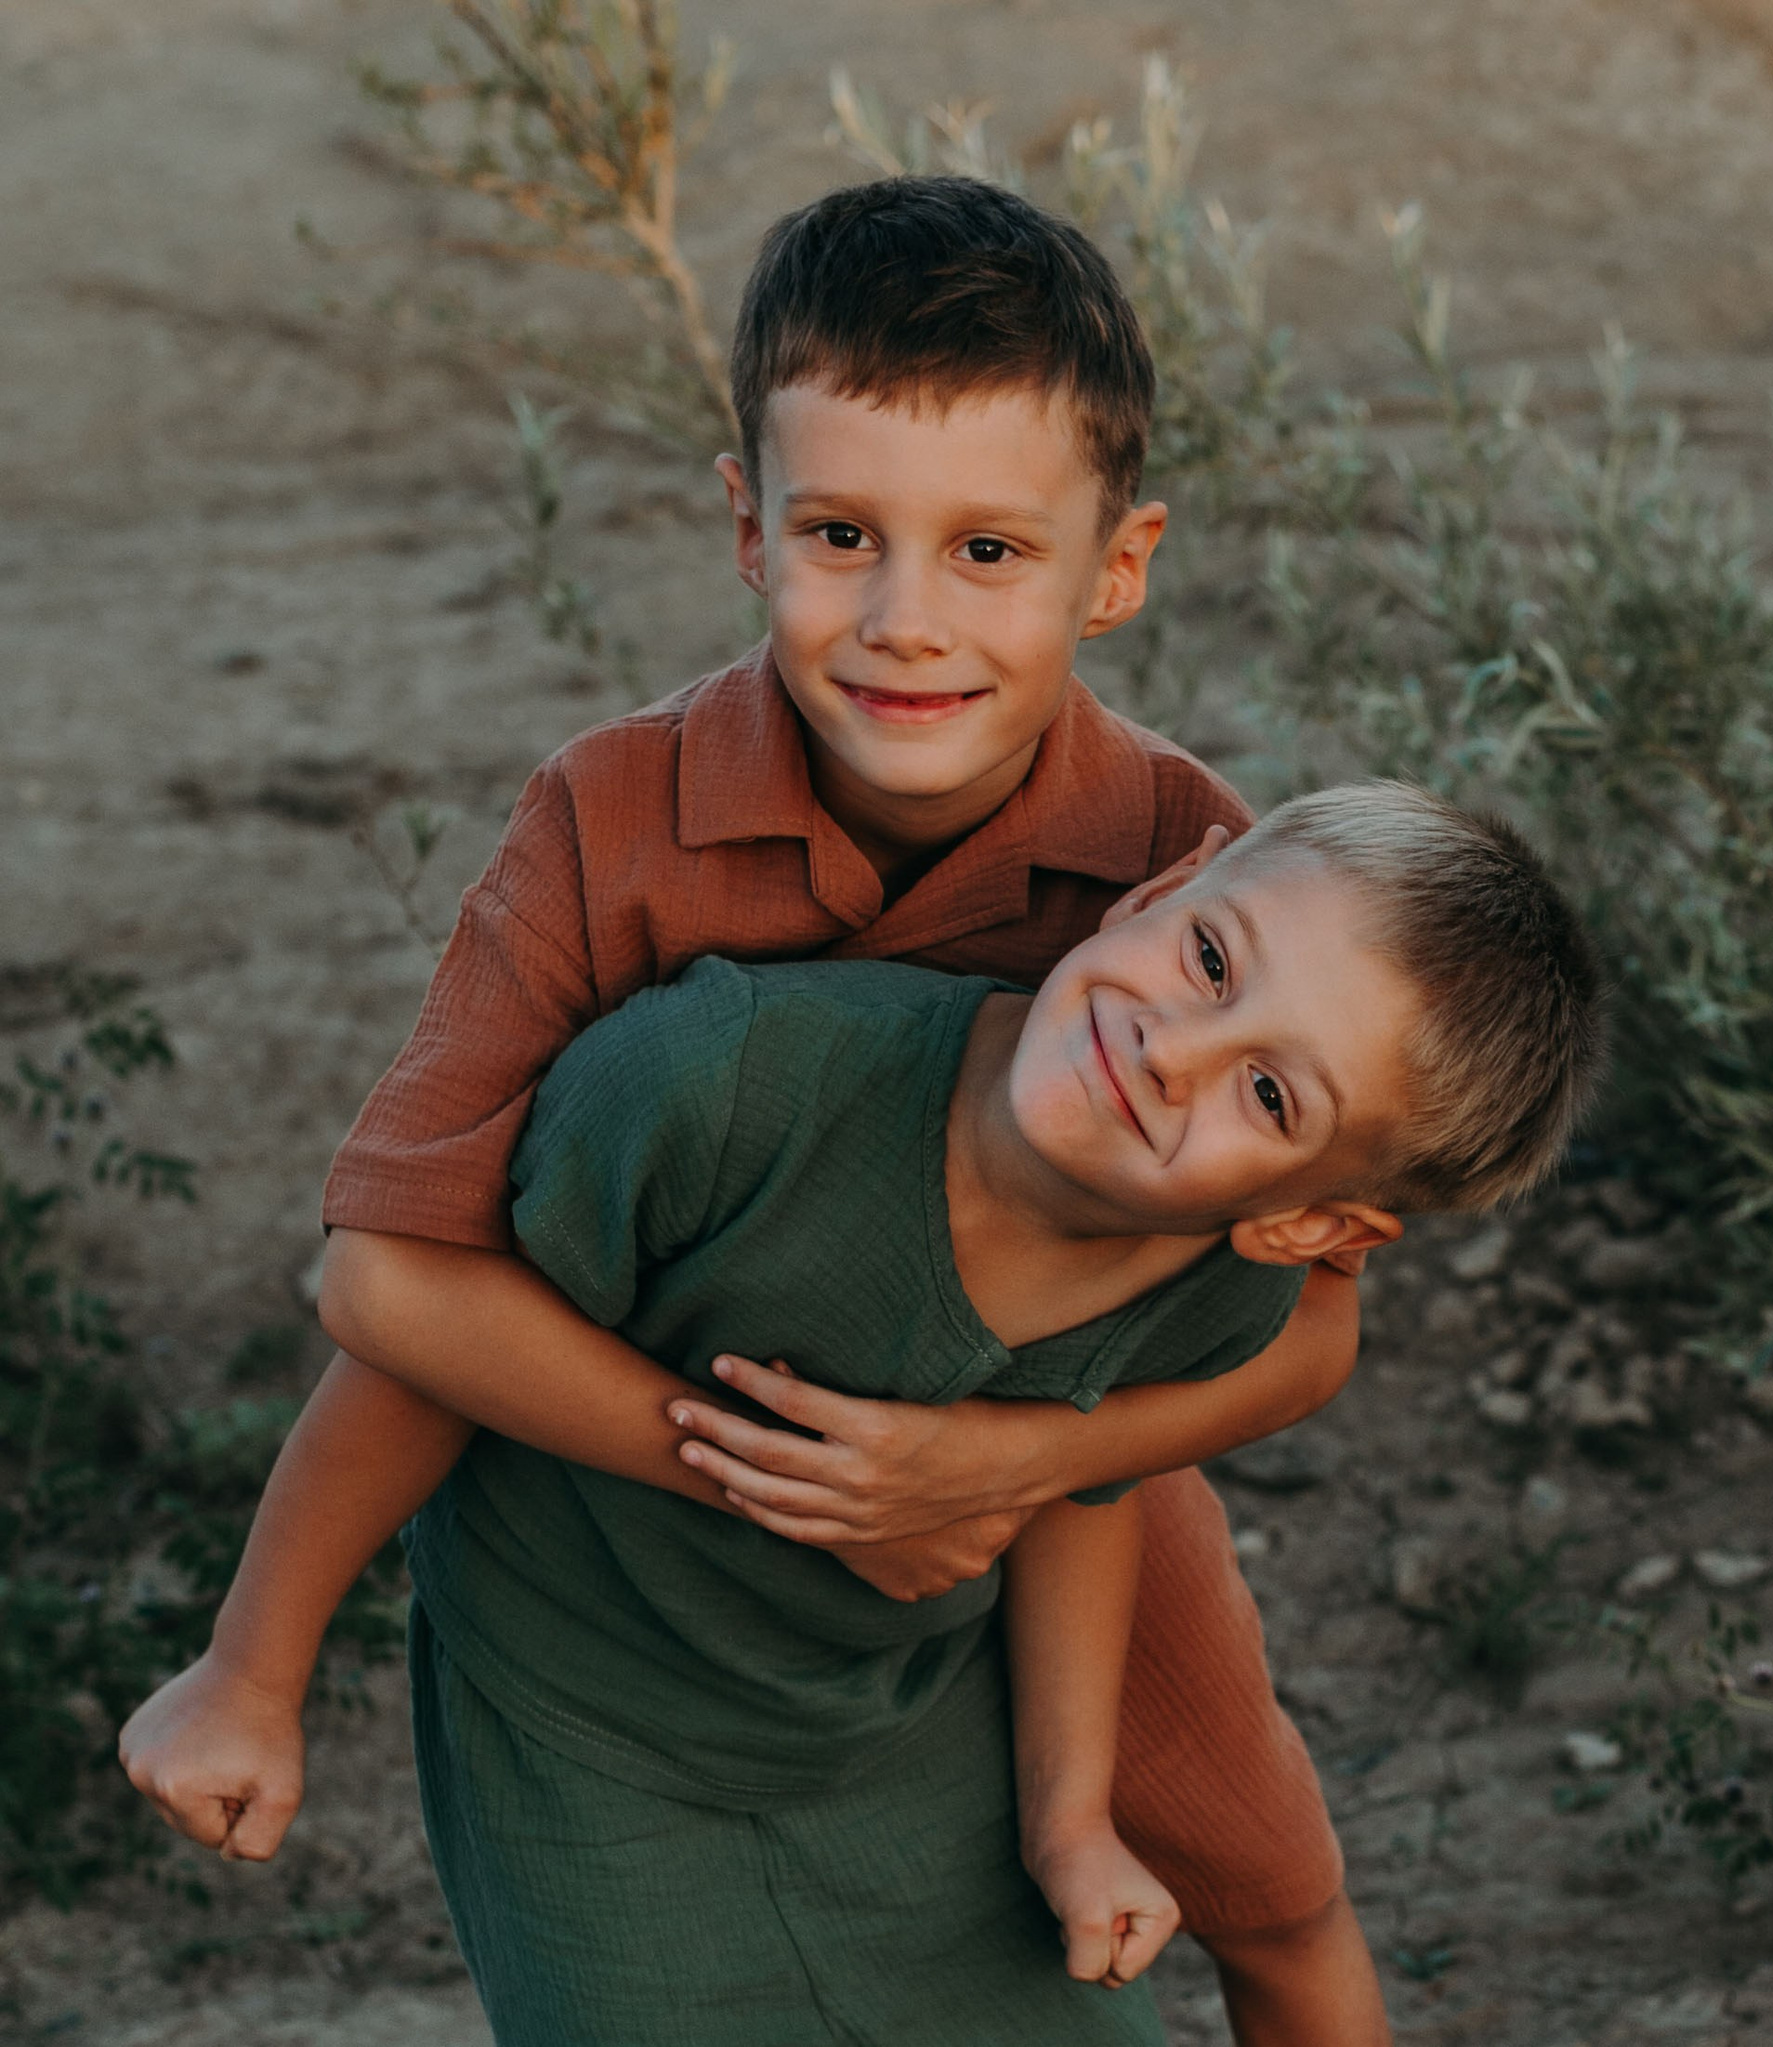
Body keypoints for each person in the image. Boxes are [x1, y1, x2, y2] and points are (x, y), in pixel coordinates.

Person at [118, 174, 1395, 2042]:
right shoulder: (613, 821)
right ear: (745, 525)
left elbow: (1310, 1325)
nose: (902, 623)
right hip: (643, 1469)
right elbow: (392, 1288)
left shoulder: (1182, 869)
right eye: (841, 534)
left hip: (1047, 1460)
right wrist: (822, 1495)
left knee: (1261, 1876)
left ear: (1115, 568)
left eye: (989, 553)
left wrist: (1007, 1466)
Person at [201, 786, 1607, 2046]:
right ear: (1165, 888)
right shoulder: (721, 1084)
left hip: (906, 1737)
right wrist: (252, 1680)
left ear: (1308, 1221)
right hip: (593, 1736)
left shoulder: (1207, 1287)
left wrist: (1068, 1825)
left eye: (1268, 1089)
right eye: (1211, 959)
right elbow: (413, 1340)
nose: (1174, 1049)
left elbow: (1083, 1492)